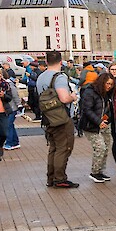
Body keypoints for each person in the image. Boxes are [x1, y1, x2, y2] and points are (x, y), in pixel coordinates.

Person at [37, 50, 79, 189]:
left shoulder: (41, 77)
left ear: (46, 61)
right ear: (61, 62)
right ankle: (60, 178)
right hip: (61, 118)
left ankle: (51, 177)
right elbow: (64, 98)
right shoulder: (59, 77)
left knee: (54, 148)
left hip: (48, 117)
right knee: (64, 148)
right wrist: (73, 96)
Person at [79, 73, 115, 183]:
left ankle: (100, 170)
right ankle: (95, 172)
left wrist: (106, 119)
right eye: (107, 84)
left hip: (104, 123)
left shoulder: (108, 93)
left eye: (111, 84)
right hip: (91, 125)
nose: (109, 86)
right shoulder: (90, 92)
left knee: (107, 146)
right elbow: (87, 110)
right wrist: (99, 121)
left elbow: (108, 109)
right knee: (100, 147)